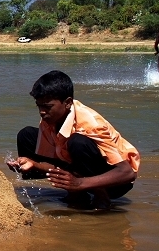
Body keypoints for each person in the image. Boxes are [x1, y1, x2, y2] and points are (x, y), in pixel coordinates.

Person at [8, 70, 139, 210]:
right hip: (80, 171)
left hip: (115, 182)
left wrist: (79, 183)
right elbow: (58, 164)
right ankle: (77, 194)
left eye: (47, 106)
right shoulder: (48, 121)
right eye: (39, 105)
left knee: (77, 142)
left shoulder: (91, 125)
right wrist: (34, 164)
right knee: (26, 135)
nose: (42, 111)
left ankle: (101, 196)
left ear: (68, 103)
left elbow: (127, 173)